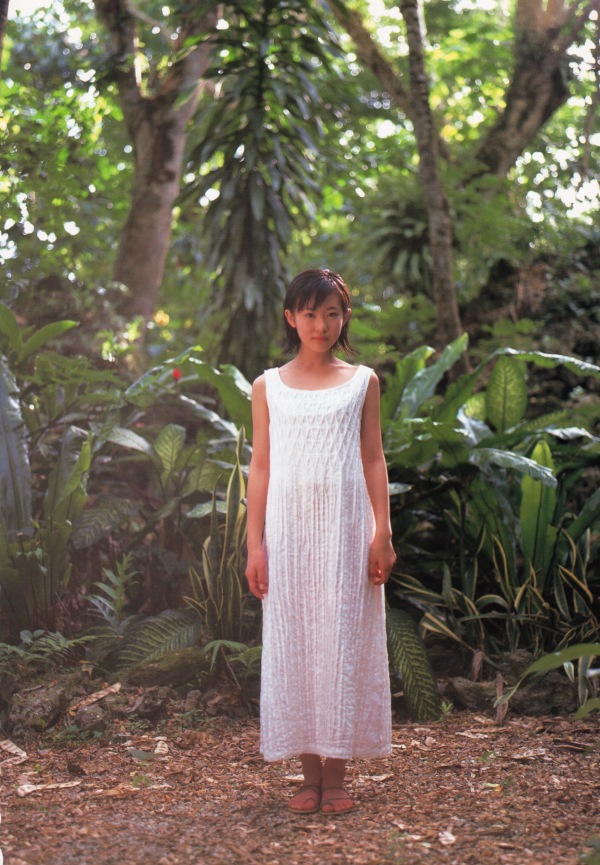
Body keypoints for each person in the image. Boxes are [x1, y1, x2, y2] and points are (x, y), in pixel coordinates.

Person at [245, 269, 396, 816]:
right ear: (291, 318)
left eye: (332, 313)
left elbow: (373, 458)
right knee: (297, 643)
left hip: (346, 533)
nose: (321, 325)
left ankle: (336, 777)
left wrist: (383, 532)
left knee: (341, 641)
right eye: (309, 314)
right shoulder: (267, 386)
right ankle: (308, 775)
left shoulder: (362, 382)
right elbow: (261, 467)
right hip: (288, 536)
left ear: (344, 317)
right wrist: (254, 545)